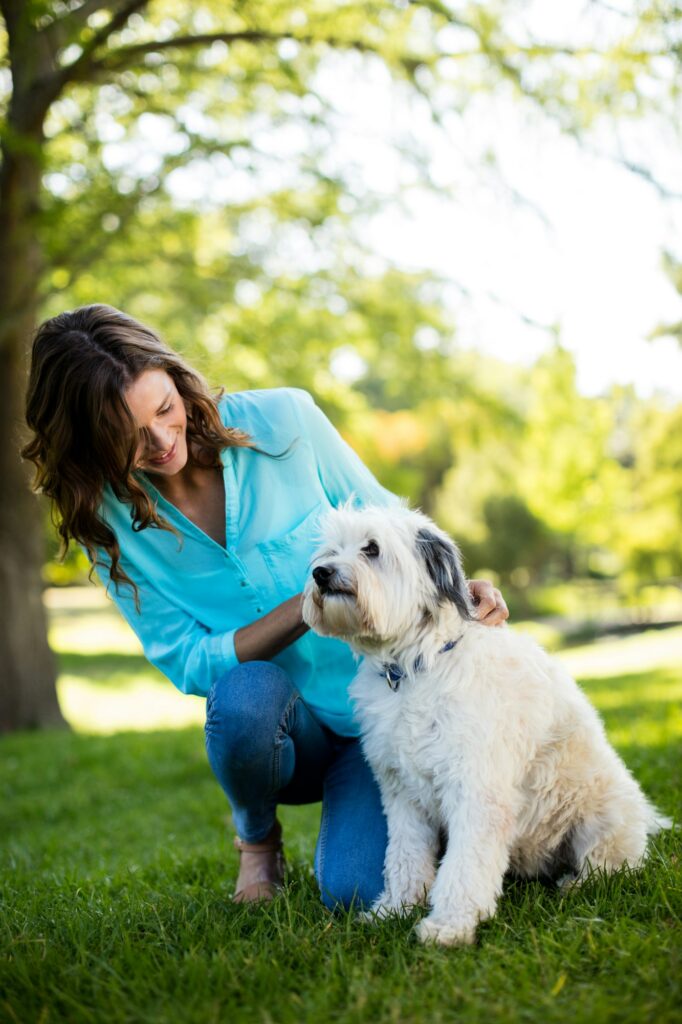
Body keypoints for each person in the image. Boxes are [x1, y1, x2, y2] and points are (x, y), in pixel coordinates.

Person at [22, 303, 509, 908]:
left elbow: (394, 526)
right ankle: (257, 841)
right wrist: (309, 602)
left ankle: (436, 825)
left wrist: (463, 587)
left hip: (386, 716)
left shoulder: (285, 422)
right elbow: (191, 663)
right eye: (128, 437)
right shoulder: (107, 527)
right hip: (283, 733)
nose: (162, 441)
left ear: (176, 379)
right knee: (242, 696)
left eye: (165, 410)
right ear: (90, 442)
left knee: (359, 893)